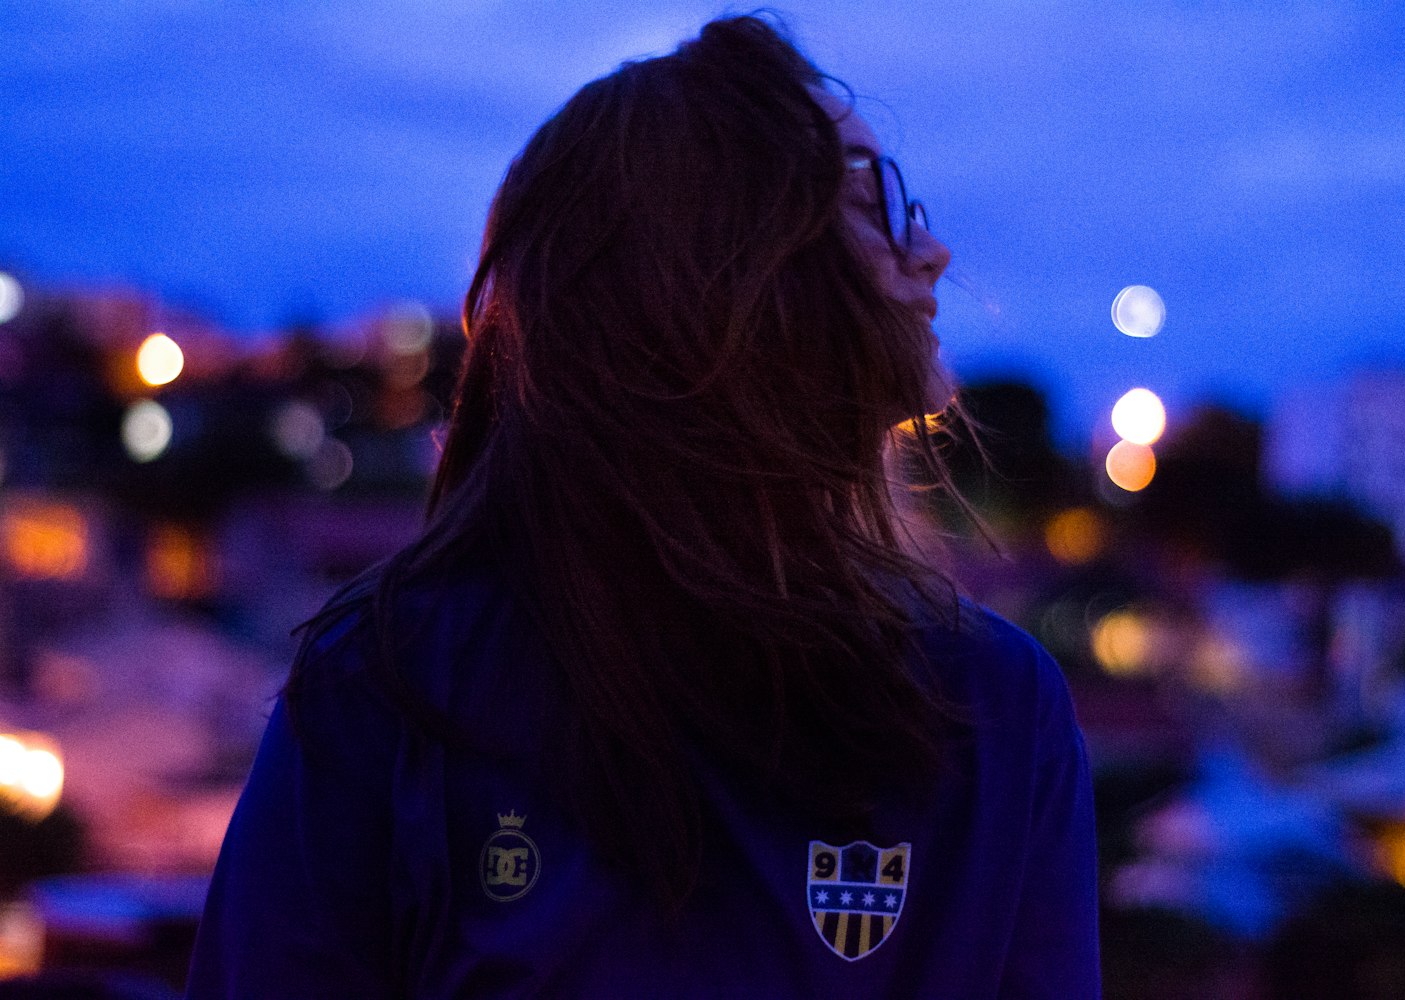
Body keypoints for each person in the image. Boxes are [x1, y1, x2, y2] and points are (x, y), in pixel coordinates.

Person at [186, 14, 1099, 998]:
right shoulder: (393, 685)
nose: (934, 252)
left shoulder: (990, 707)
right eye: (872, 198)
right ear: (720, 261)